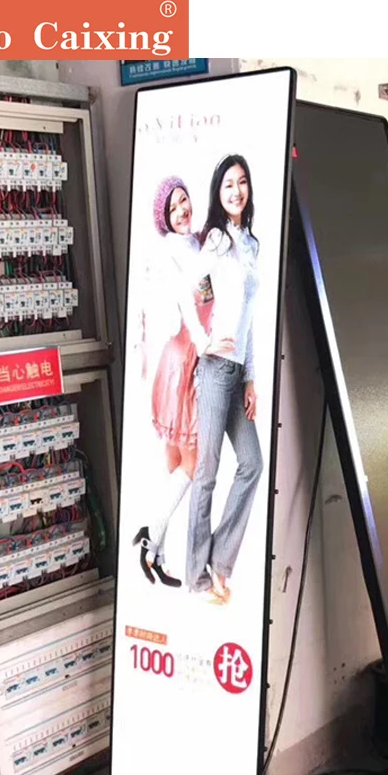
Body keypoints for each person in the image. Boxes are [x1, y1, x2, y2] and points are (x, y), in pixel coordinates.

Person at [132, 176, 230, 587]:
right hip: (183, 363)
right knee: (191, 465)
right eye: (172, 208)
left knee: (175, 464)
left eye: (183, 200)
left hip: (184, 359)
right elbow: (186, 308)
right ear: (164, 219)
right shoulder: (173, 252)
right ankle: (151, 537)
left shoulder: (197, 243)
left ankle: (158, 555)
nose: (181, 210)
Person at [185, 155, 263, 604]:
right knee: (208, 473)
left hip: (237, 374)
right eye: (228, 184)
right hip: (215, 371)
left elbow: (249, 319)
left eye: (242, 182)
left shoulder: (250, 243)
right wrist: (204, 342)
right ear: (218, 191)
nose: (236, 191)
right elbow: (189, 291)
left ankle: (219, 560)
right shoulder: (216, 239)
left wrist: (251, 378)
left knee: (252, 463)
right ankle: (197, 575)